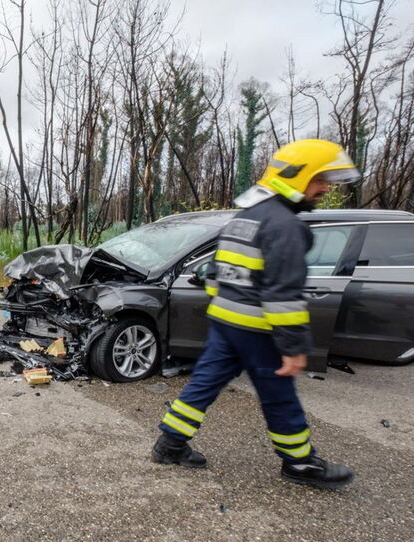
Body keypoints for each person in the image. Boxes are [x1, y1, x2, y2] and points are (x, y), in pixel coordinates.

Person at [151, 139, 361, 490]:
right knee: (279, 396)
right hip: (259, 332)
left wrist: (226, 313)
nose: (325, 188)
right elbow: (282, 294)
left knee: (202, 385)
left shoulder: (244, 218)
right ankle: (300, 463)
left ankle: (169, 444)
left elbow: (216, 274)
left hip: (225, 324)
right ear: (298, 177)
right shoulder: (287, 227)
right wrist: (293, 347)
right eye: (321, 180)